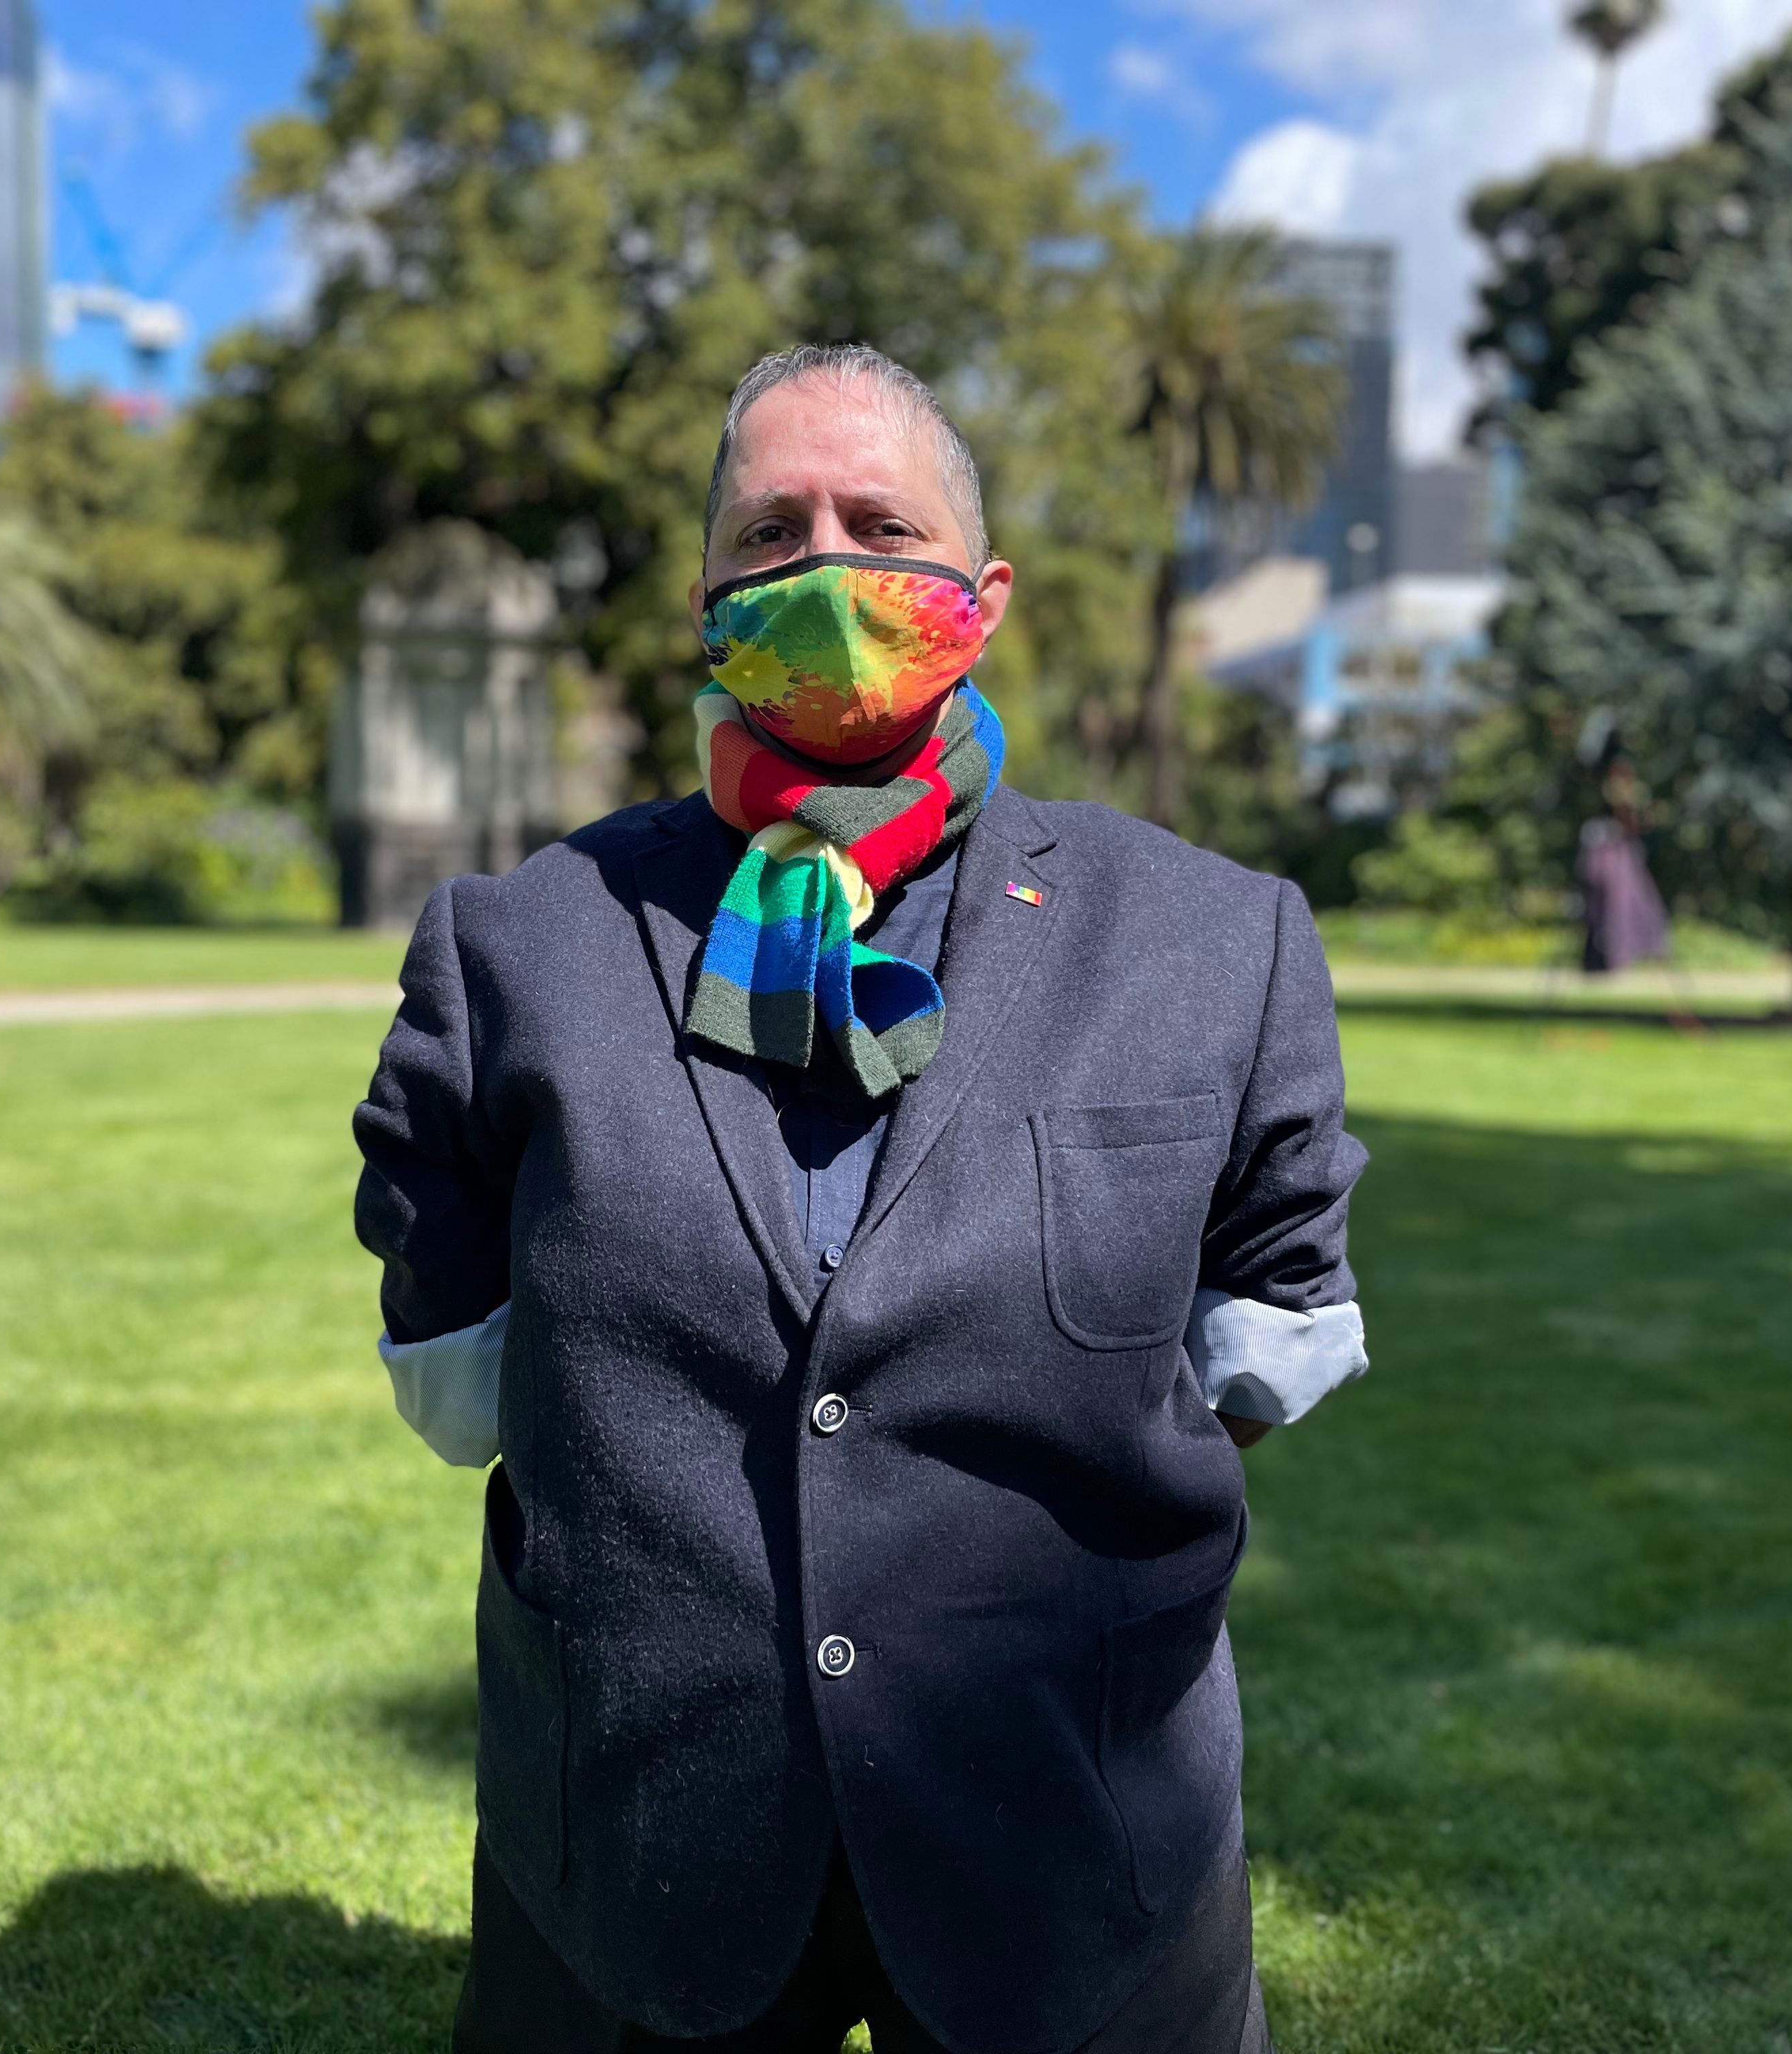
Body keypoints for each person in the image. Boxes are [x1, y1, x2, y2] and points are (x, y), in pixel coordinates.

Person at [354, 344, 1370, 2054]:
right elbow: (456, 1352)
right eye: (770, 535)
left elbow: (1267, 1333)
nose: (825, 570)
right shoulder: (522, 941)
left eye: (877, 523)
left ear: (980, 597)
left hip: (1077, 1836)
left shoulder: (1215, 940)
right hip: (636, 1836)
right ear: (706, 603)